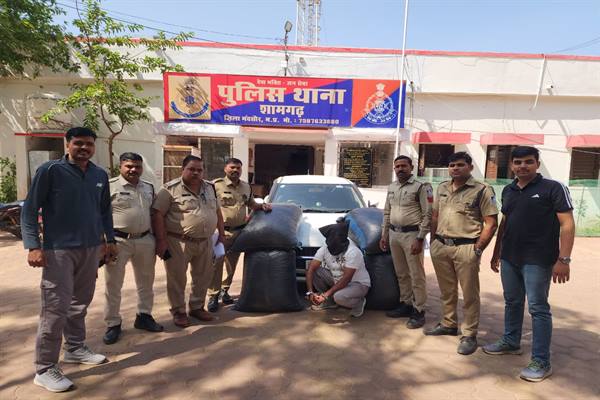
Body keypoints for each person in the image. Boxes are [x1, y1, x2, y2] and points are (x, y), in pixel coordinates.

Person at [21, 127, 117, 392]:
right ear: (67, 144)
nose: (84, 148)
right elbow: (30, 210)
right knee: (55, 308)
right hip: (58, 251)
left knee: (80, 303)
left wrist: (109, 240)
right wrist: (33, 246)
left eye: (89, 144)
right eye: (78, 143)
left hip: (90, 249)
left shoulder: (99, 174)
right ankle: (44, 368)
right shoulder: (50, 171)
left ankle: (74, 348)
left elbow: (104, 211)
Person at [482, 146, 575, 382]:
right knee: (512, 302)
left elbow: (567, 224)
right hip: (510, 257)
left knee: (538, 308)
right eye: (518, 162)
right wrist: (497, 252)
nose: (522, 166)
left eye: (528, 161)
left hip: (539, 259)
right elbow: (506, 222)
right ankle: (511, 341)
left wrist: (564, 259)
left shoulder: (553, 188)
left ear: (537, 164)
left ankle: (541, 361)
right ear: (512, 165)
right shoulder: (509, 190)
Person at [425, 151, 498, 356]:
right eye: (452, 165)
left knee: (469, 294)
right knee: (446, 290)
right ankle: (448, 324)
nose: (455, 168)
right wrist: (433, 240)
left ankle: (469, 334)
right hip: (441, 245)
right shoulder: (442, 187)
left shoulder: (482, 190)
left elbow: (491, 223)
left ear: (470, 167)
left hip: (466, 247)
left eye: (460, 165)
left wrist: (478, 248)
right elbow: (435, 215)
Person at [151, 155, 225, 328]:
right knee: (177, 278)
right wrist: (161, 241)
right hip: (178, 242)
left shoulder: (210, 188)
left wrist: (221, 234)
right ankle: (178, 311)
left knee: (203, 276)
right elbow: (157, 214)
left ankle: (197, 307)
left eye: (199, 170)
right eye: (192, 169)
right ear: (182, 169)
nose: (196, 173)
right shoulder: (169, 189)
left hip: (205, 241)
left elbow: (217, 212)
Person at [103, 153, 163, 345]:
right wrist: (104, 241)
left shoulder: (148, 187)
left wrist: (158, 239)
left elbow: (153, 213)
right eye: (129, 166)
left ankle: (144, 316)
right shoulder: (110, 186)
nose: (133, 170)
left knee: (146, 282)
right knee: (113, 284)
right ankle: (113, 323)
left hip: (145, 239)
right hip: (118, 241)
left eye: (137, 166)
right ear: (120, 166)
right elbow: (100, 215)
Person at [207, 158, 271, 312]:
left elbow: (251, 204)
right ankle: (213, 295)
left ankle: (225, 290)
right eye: (232, 167)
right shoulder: (215, 185)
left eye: (238, 168)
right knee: (216, 263)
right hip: (220, 232)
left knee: (231, 264)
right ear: (225, 169)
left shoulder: (246, 186)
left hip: (238, 232)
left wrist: (262, 206)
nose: (235, 170)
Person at [380, 155, 432, 329]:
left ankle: (419, 310)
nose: (400, 169)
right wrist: (384, 235)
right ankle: (406, 304)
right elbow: (387, 212)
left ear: (411, 167)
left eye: (404, 166)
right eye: (397, 166)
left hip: (412, 235)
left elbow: (427, 214)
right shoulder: (392, 187)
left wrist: (420, 237)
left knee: (416, 274)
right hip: (394, 234)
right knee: (401, 273)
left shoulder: (421, 187)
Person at [305, 221, 371, 318]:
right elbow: (311, 269)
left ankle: (358, 302)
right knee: (316, 271)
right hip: (337, 280)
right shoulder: (325, 249)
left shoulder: (353, 252)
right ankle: (330, 301)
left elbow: (346, 279)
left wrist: (324, 295)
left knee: (339, 297)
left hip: (357, 284)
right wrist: (310, 292)